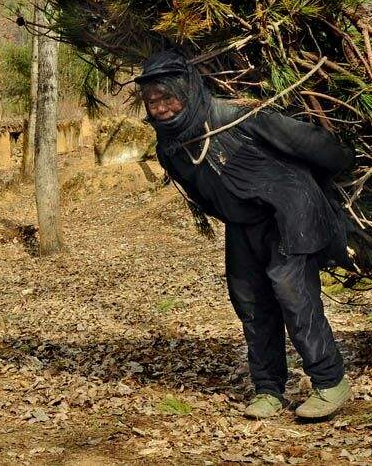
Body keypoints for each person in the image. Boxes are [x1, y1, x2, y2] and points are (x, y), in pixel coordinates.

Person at [135, 49, 355, 421]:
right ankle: (268, 389)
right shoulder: (170, 148)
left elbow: (306, 142)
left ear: (187, 91)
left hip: (289, 209)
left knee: (292, 293)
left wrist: (343, 168)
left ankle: (330, 382)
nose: (161, 108)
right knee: (249, 300)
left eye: (168, 97)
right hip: (243, 223)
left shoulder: (234, 116)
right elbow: (201, 194)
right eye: (153, 101)